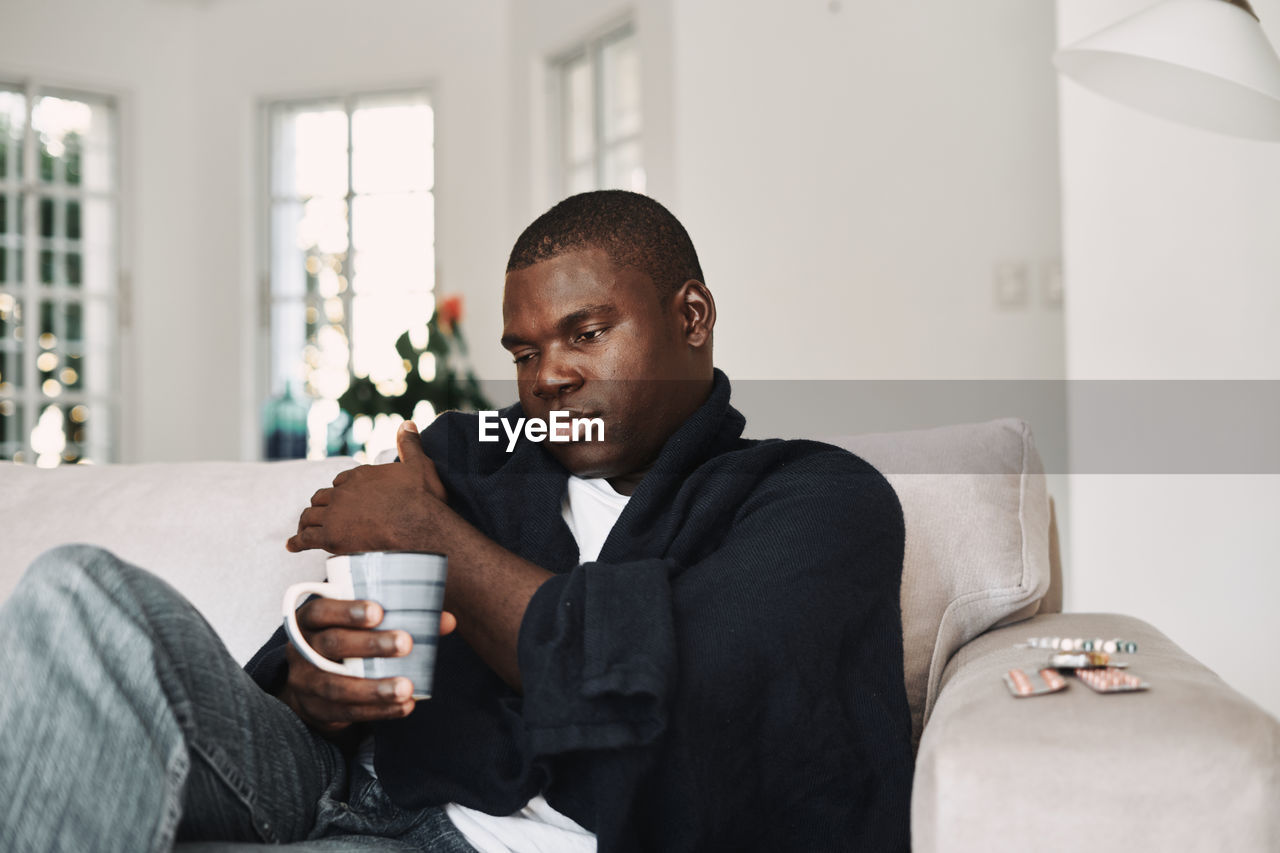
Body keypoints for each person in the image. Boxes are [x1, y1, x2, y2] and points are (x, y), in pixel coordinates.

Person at [0, 190, 913, 852]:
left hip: (460, 836)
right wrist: (309, 678)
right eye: (525, 351)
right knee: (74, 590)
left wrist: (428, 535)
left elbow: (682, 692)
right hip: (328, 775)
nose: (547, 376)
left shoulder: (811, 499)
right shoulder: (472, 454)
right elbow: (351, 652)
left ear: (693, 317)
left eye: (586, 332)